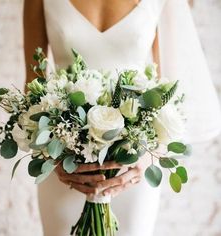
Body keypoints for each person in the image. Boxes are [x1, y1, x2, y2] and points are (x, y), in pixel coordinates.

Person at [23, 0, 221, 235]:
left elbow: (171, 90)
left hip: (133, 167)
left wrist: (147, 159)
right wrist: (52, 157)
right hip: (64, 165)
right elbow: (32, 88)